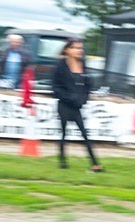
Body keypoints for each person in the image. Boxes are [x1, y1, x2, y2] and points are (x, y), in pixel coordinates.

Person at [52, 38, 102, 172]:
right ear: (67, 50)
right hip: (64, 105)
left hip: (77, 106)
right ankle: (62, 162)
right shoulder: (61, 66)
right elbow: (56, 87)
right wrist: (68, 98)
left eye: (80, 48)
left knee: (84, 134)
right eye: (75, 48)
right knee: (63, 134)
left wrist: (83, 99)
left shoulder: (83, 65)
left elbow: (87, 85)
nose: (79, 50)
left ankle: (95, 163)